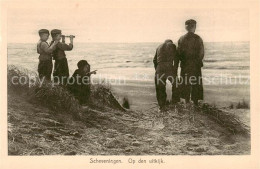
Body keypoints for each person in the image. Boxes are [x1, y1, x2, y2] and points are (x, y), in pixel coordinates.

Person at [177, 19, 204, 106]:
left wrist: (183, 61)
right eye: (195, 26)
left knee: (185, 83)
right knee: (196, 83)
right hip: (195, 64)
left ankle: (187, 102)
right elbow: (201, 53)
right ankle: (195, 103)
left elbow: (179, 53)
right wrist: (198, 61)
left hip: (185, 64)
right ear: (193, 27)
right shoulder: (198, 38)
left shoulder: (181, 39)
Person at [153, 39, 180, 112]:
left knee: (160, 87)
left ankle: (161, 106)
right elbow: (176, 58)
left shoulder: (158, 47)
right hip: (169, 66)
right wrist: (175, 69)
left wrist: (157, 69)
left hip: (159, 67)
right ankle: (175, 102)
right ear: (170, 42)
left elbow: (154, 60)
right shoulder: (172, 45)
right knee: (176, 84)